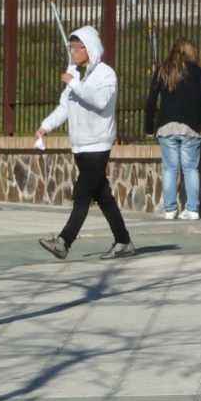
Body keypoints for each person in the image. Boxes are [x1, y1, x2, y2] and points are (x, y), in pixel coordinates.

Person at [35, 26, 137, 261]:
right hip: (80, 146)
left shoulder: (105, 74)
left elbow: (100, 101)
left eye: (74, 48)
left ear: (87, 48)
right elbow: (65, 107)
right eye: (70, 47)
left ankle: (63, 242)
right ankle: (123, 241)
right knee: (102, 195)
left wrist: (74, 84)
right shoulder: (79, 76)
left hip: (97, 144)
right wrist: (45, 126)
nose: (71, 52)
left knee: (82, 194)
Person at [144, 40, 201, 221]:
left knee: (170, 169)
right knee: (190, 168)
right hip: (191, 126)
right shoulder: (196, 71)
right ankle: (193, 209)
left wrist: (149, 127)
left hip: (166, 126)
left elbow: (151, 101)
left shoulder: (163, 70)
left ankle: (170, 209)